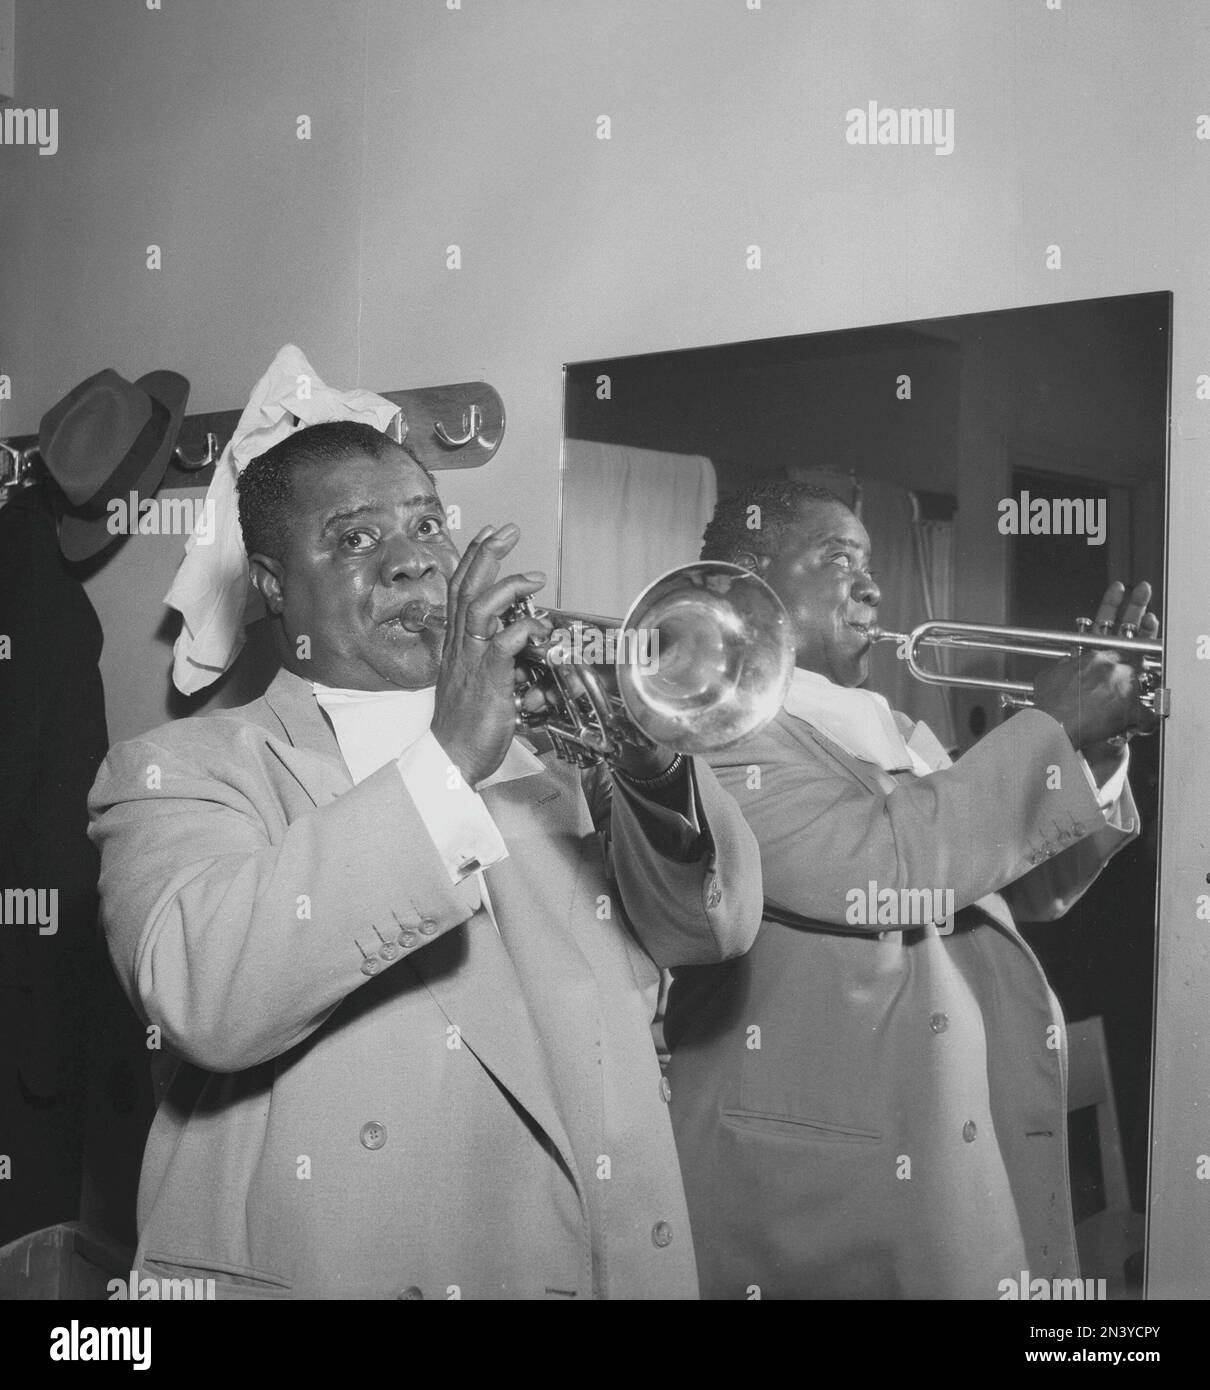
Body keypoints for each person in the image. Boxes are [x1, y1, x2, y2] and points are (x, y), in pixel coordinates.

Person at [88, 420, 763, 1300]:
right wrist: (446, 759)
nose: (410, 561)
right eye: (355, 538)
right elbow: (209, 993)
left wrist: (655, 764)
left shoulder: (560, 755)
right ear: (272, 589)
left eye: (424, 525)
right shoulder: (183, 770)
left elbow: (709, 930)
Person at [664, 479, 1158, 1300]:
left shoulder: (890, 729)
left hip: (942, 1142)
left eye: (870, 563)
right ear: (744, 585)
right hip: (818, 1187)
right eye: (838, 559)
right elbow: (889, 870)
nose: (872, 586)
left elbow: (1025, 889)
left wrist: (1093, 757)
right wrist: (1050, 728)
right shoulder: (715, 740)